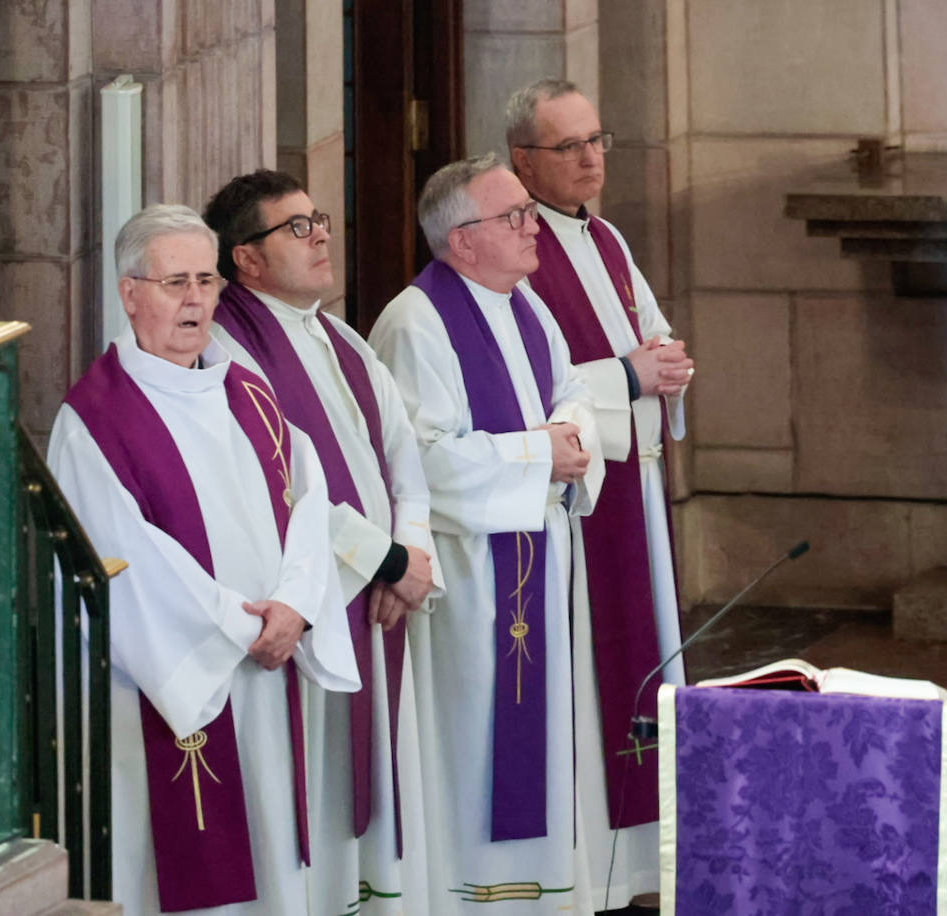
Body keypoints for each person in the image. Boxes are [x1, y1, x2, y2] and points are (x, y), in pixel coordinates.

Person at [47, 204, 360, 915]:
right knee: (183, 871)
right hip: (178, 682)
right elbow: (123, 556)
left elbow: (309, 502)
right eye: (175, 283)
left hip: (268, 666)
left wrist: (296, 606)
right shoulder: (95, 418)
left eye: (208, 281)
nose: (196, 300)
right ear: (130, 294)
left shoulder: (247, 391)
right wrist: (244, 627)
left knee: (270, 864)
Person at [368, 153, 604, 916]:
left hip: (537, 557)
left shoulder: (526, 303)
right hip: (471, 582)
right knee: (471, 742)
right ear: (461, 240)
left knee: (537, 733)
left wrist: (567, 441)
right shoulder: (416, 320)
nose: (534, 227)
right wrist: (543, 453)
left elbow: (570, 396)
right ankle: (471, 898)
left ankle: (539, 897)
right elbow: (420, 460)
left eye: (528, 212)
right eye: (514, 217)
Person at [203, 170, 441, 914]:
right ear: (246, 257)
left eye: (320, 220)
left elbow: (404, 456)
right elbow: (287, 485)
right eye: (297, 228)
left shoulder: (338, 335)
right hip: (321, 601)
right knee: (322, 778)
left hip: (378, 594)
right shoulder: (226, 349)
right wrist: (389, 562)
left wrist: (409, 549)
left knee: (375, 766)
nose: (321, 236)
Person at [506, 78, 694, 906]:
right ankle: (600, 870)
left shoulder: (607, 238)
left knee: (645, 663)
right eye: (569, 146)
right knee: (597, 675)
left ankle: (650, 858)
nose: (591, 159)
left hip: (638, 493)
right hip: (584, 507)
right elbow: (526, 385)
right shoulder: (517, 251)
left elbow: (648, 336)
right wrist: (629, 373)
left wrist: (667, 365)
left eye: (597, 140)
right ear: (523, 161)